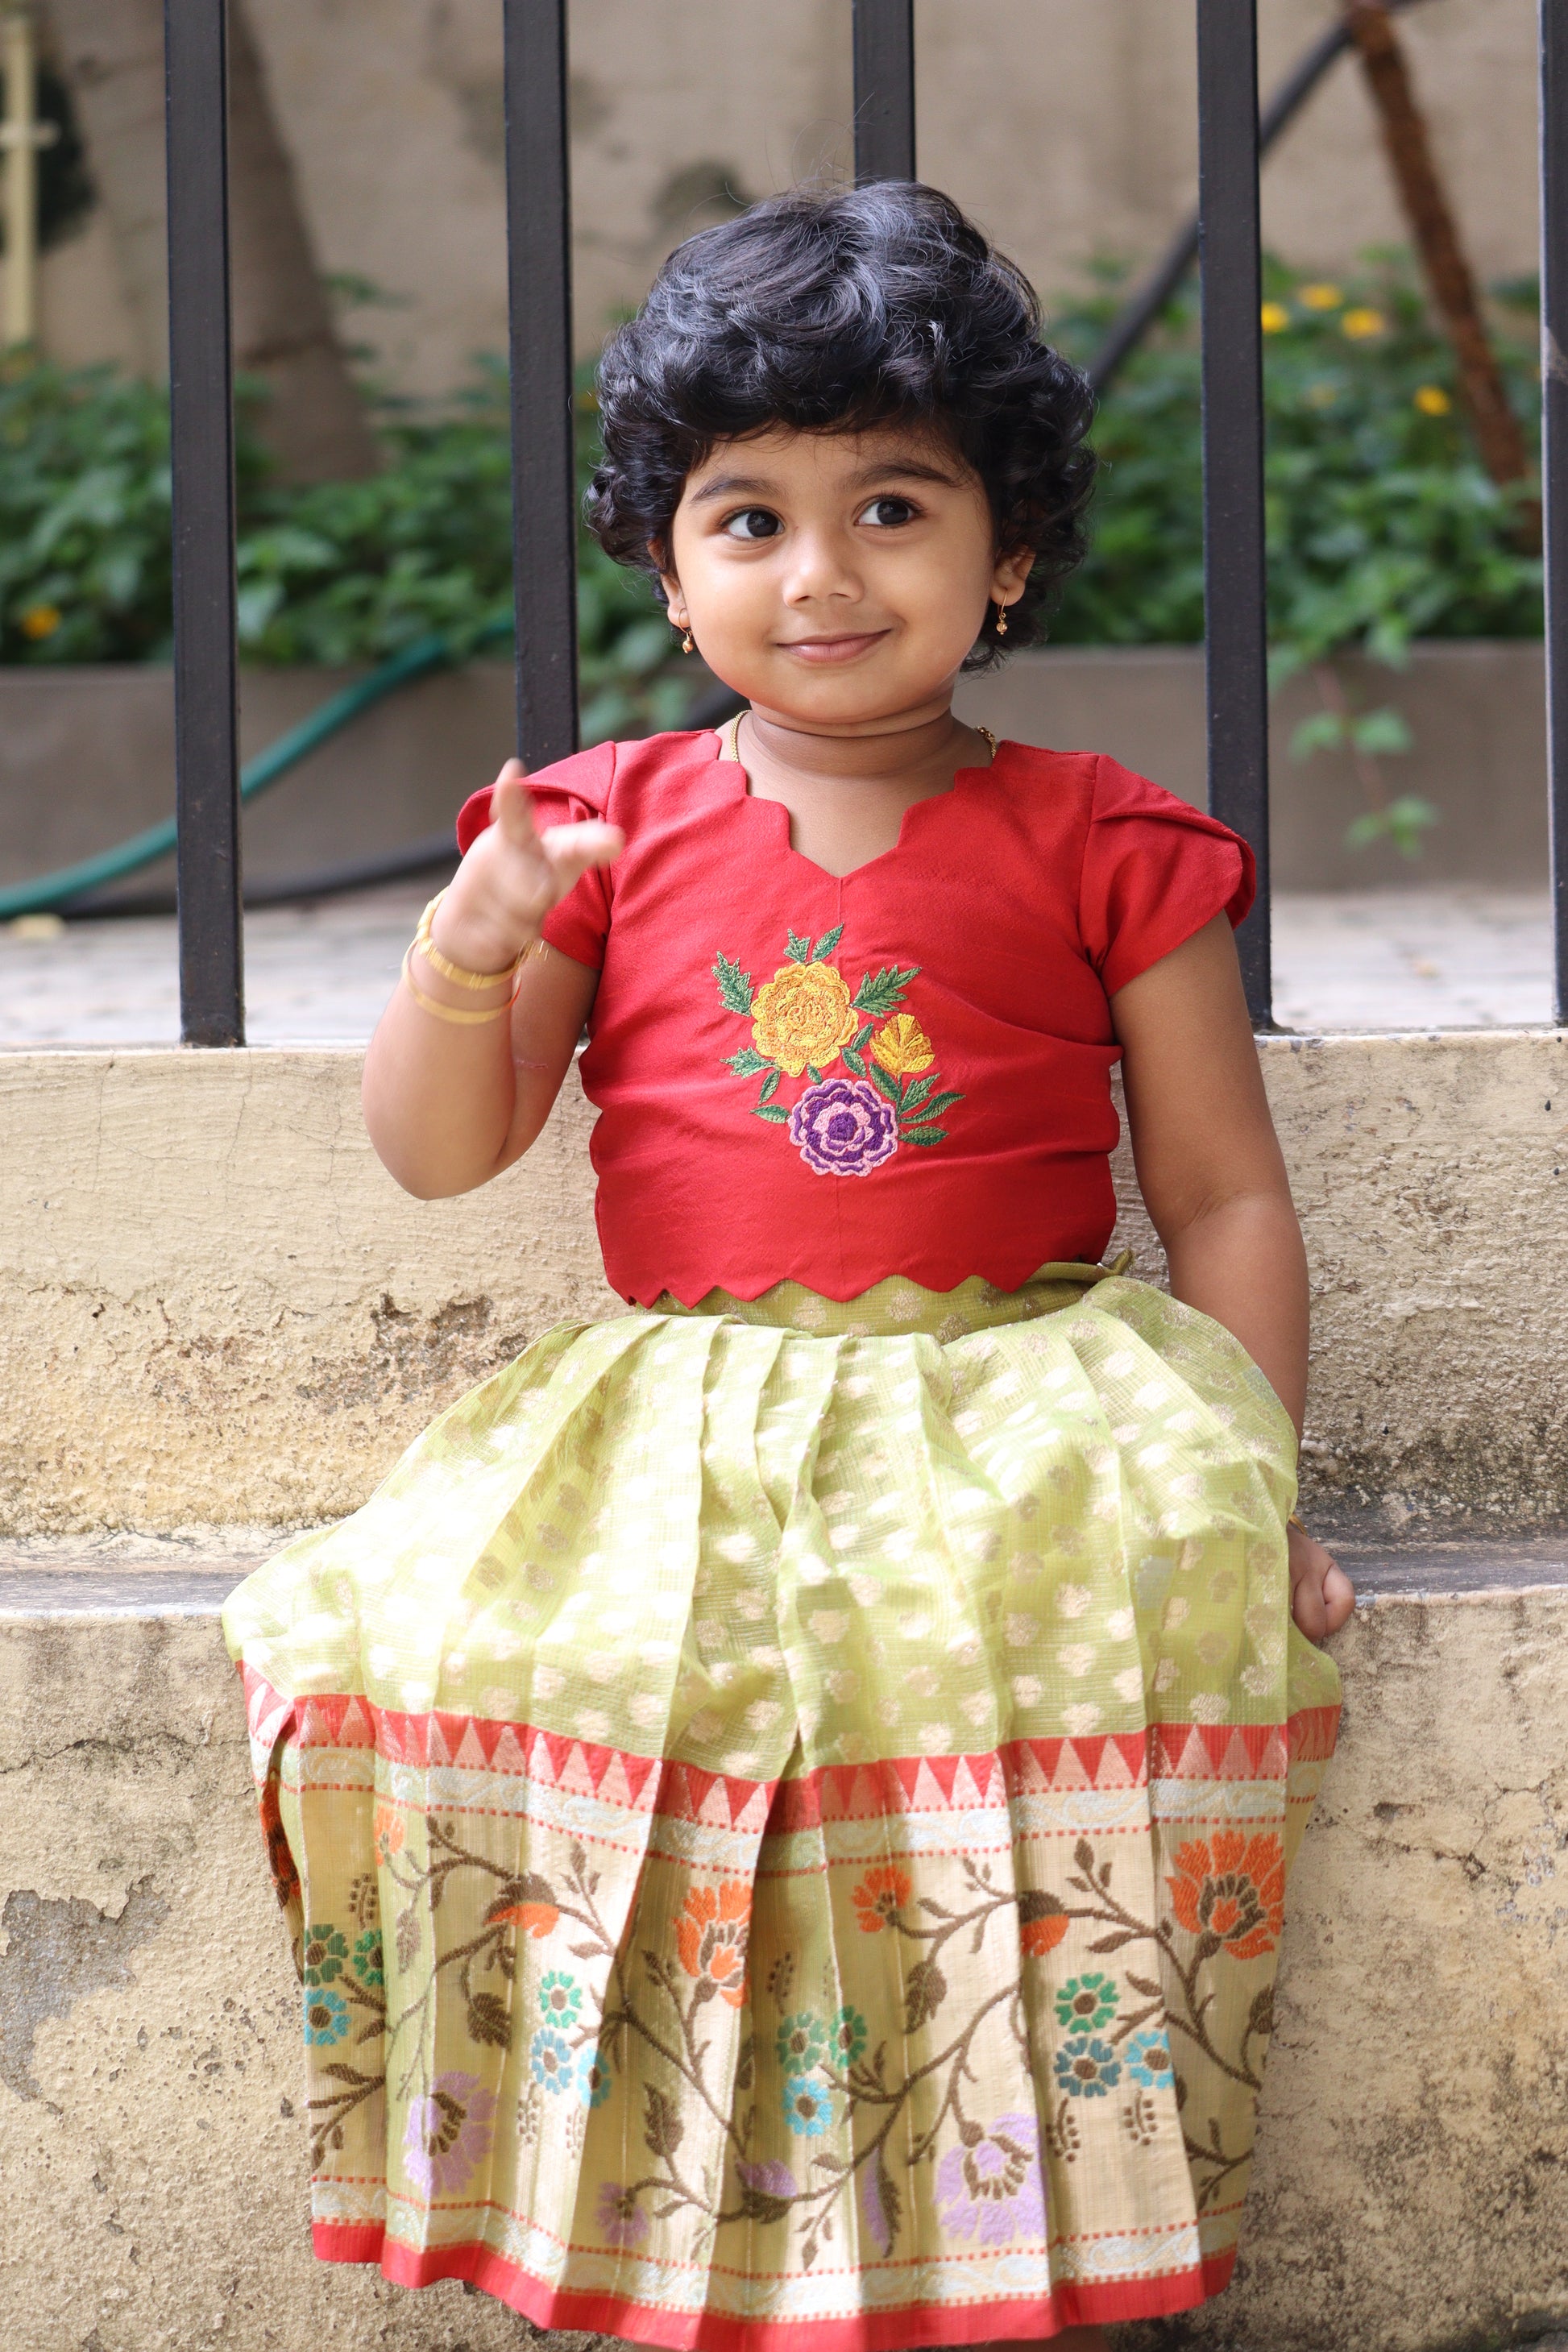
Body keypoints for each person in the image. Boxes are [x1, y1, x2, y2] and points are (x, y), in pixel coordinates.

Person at [223, 180, 1352, 2351]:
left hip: (1018, 1406)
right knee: (474, 1653)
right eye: (748, 519)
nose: (820, 573)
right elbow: (441, 1154)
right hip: (689, 1413)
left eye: (891, 508)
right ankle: (679, 2231)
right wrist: (473, 942)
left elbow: (1223, 1198)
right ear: (670, 569)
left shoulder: (1111, 845)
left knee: (1034, 1683)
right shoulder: (595, 833)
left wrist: (1258, 1484)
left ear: (1006, 551)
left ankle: (992, 2237)